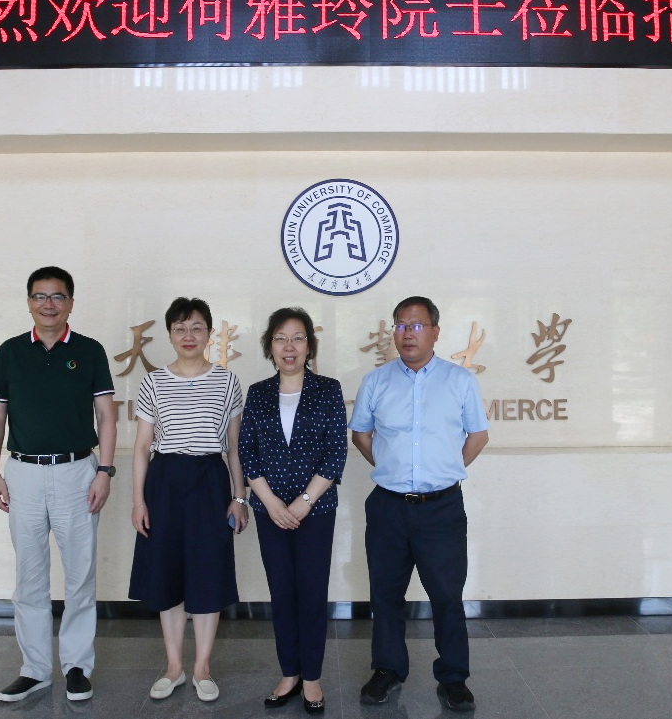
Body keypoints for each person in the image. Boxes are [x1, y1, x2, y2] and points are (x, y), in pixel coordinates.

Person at [349, 295, 489, 713]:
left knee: (446, 595)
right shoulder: (376, 381)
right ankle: (388, 670)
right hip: (388, 507)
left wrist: (443, 471)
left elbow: (478, 436)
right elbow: (361, 435)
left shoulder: (459, 381)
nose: (407, 334)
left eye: (416, 326)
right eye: (400, 325)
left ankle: (454, 678)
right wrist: (392, 469)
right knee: (386, 594)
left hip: (441, 509)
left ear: (435, 332)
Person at [0, 266, 117, 703]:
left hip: (77, 471)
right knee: (29, 576)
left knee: (80, 575)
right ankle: (35, 669)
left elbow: (106, 415)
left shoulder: (90, 351)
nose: (48, 304)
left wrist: (105, 471)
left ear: (71, 303)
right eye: (39, 296)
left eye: (57, 296)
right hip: (22, 472)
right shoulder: (10, 352)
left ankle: (77, 666)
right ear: (29, 302)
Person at [129, 297, 249, 703]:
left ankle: (202, 668)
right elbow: (142, 446)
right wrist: (138, 501)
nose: (188, 335)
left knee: (207, 573)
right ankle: (173, 667)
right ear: (169, 334)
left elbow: (234, 447)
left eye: (197, 327)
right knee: (168, 574)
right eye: (179, 328)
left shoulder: (227, 381)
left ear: (209, 333)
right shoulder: (154, 382)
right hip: (164, 482)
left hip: (210, 483)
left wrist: (239, 497)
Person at [239, 307, 347, 715]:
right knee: (282, 592)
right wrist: (270, 502)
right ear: (270, 345)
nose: (290, 346)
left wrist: (303, 502)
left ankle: (312, 677)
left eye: (298, 338)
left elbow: (336, 452)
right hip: (270, 511)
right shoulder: (258, 393)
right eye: (281, 338)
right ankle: (289, 672)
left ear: (309, 346)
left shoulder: (328, 390)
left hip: (315, 511)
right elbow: (247, 451)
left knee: (312, 594)